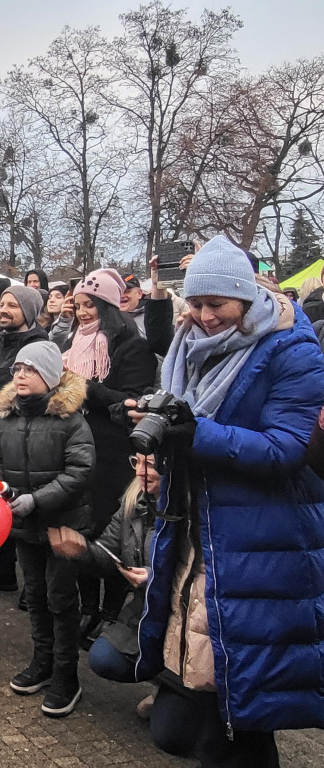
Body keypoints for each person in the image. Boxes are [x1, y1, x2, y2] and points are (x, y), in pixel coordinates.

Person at [127, 236, 324, 765]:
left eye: (217, 304)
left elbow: (287, 448)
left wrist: (195, 433)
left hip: (264, 539)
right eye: (195, 303)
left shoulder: (291, 349)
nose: (203, 315)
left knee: (244, 713)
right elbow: (187, 420)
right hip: (197, 529)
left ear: (246, 297)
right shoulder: (186, 346)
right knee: (196, 714)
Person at [49, 454, 198, 757]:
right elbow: (108, 554)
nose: (142, 472)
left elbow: (202, 577)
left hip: (189, 621)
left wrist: (155, 579)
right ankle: (166, 686)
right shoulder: (134, 502)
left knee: (171, 738)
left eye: (152, 464)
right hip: (147, 611)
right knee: (103, 658)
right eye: (137, 462)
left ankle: (189, 696)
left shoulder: (196, 510)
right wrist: (82, 550)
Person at [0, 342, 94, 718]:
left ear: (49, 377)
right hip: (23, 527)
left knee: (61, 598)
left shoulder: (71, 421)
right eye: (16, 368)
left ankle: (67, 675)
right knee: (34, 595)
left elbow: (79, 472)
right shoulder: (6, 418)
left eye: (29, 369)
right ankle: (42, 661)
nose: (19, 375)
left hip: (62, 525)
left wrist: (36, 499)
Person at [53, 268, 157, 641]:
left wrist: (82, 387)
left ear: (109, 306)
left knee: (111, 532)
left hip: (115, 453)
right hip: (76, 449)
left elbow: (131, 401)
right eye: (78, 305)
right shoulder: (71, 344)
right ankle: (88, 608)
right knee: (81, 527)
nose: (82, 312)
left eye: (91, 305)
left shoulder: (132, 345)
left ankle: (111, 611)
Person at [0, 285, 49, 592]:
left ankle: (35, 583)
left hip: (25, 428)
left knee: (25, 501)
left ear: (29, 312)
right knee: (1, 495)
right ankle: (4, 568)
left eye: (13, 305)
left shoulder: (39, 345)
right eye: (3, 303)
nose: (4, 309)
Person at [118, 274, 151, 338]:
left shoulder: (151, 317)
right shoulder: (109, 318)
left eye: (127, 291)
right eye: (119, 292)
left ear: (139, 294)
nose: (122, 296)